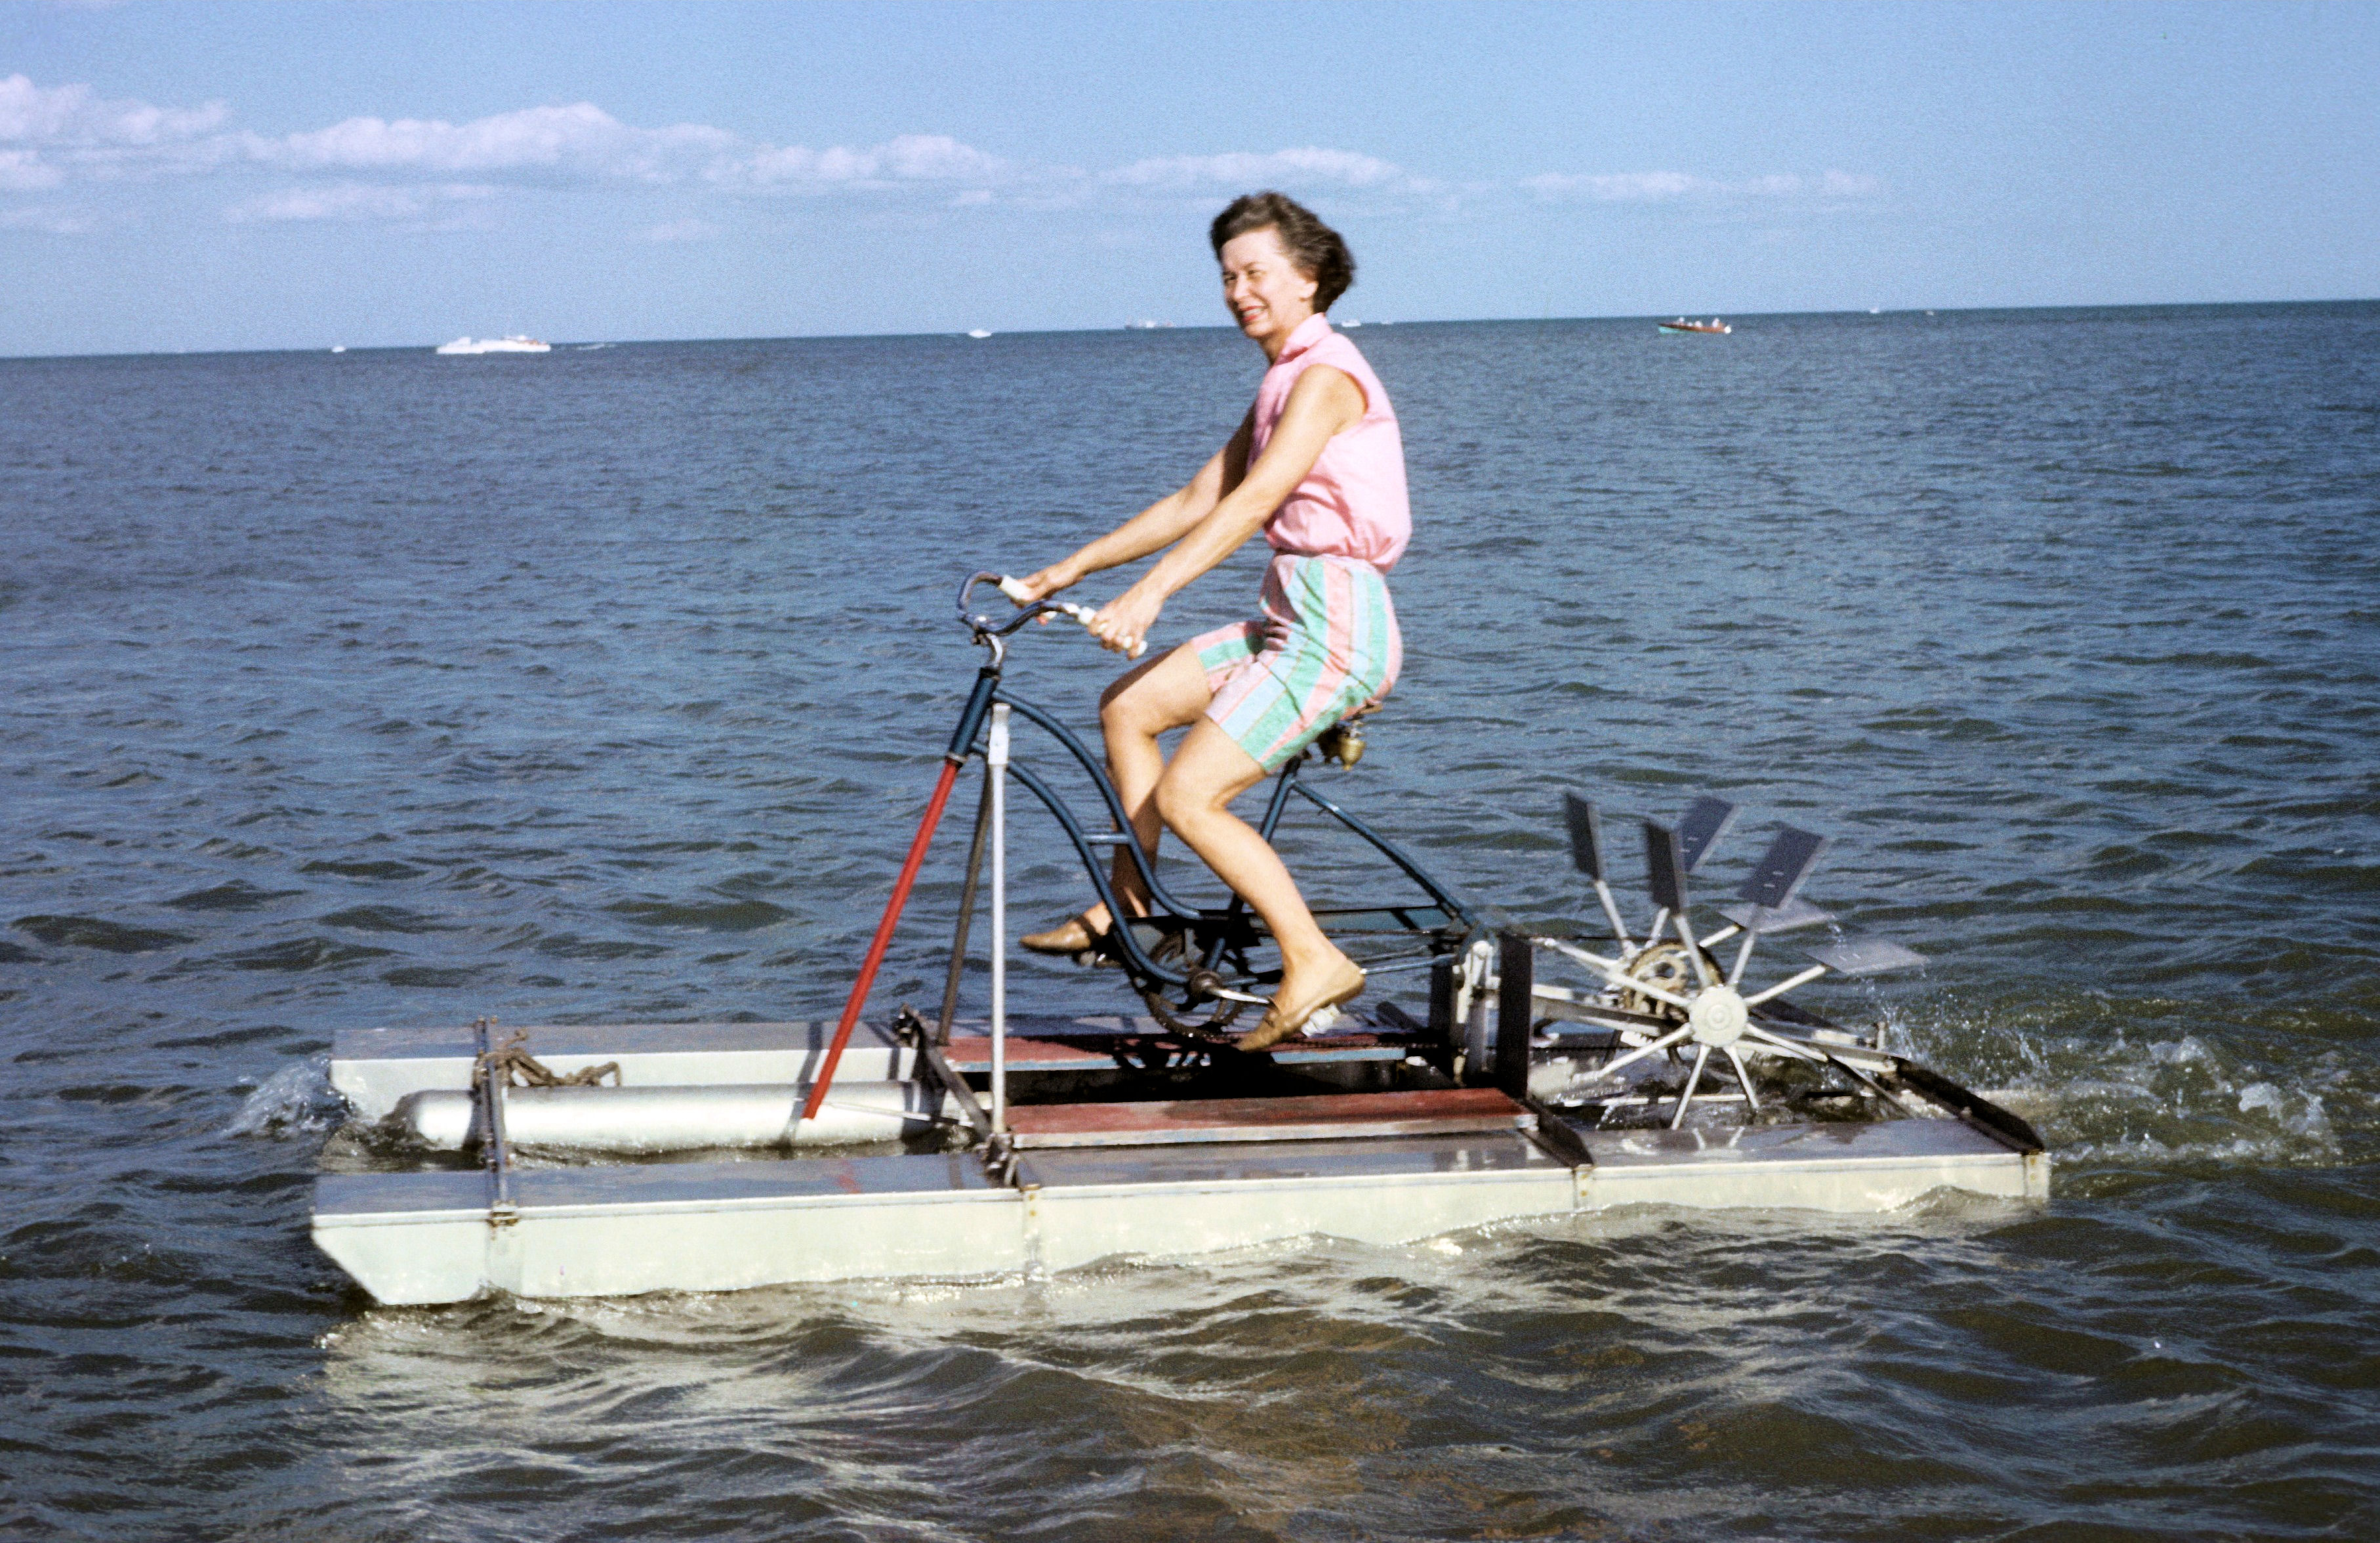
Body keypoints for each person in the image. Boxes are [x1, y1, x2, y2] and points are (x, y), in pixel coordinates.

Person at [1006, 190, 1410, 1052]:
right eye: (1227, 277)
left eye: (1255, 273)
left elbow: (1262, 497)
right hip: (1289, 614)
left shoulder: (1329, 376)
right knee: (1128, 706)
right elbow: (1201, 496)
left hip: (1336, 622)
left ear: (1307, 279)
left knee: (1192, 794)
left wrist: (1151, 594)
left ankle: (1315, 958)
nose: (1238, 292)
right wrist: (1074, 566)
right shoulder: (1280, 380)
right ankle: (1134, 911)